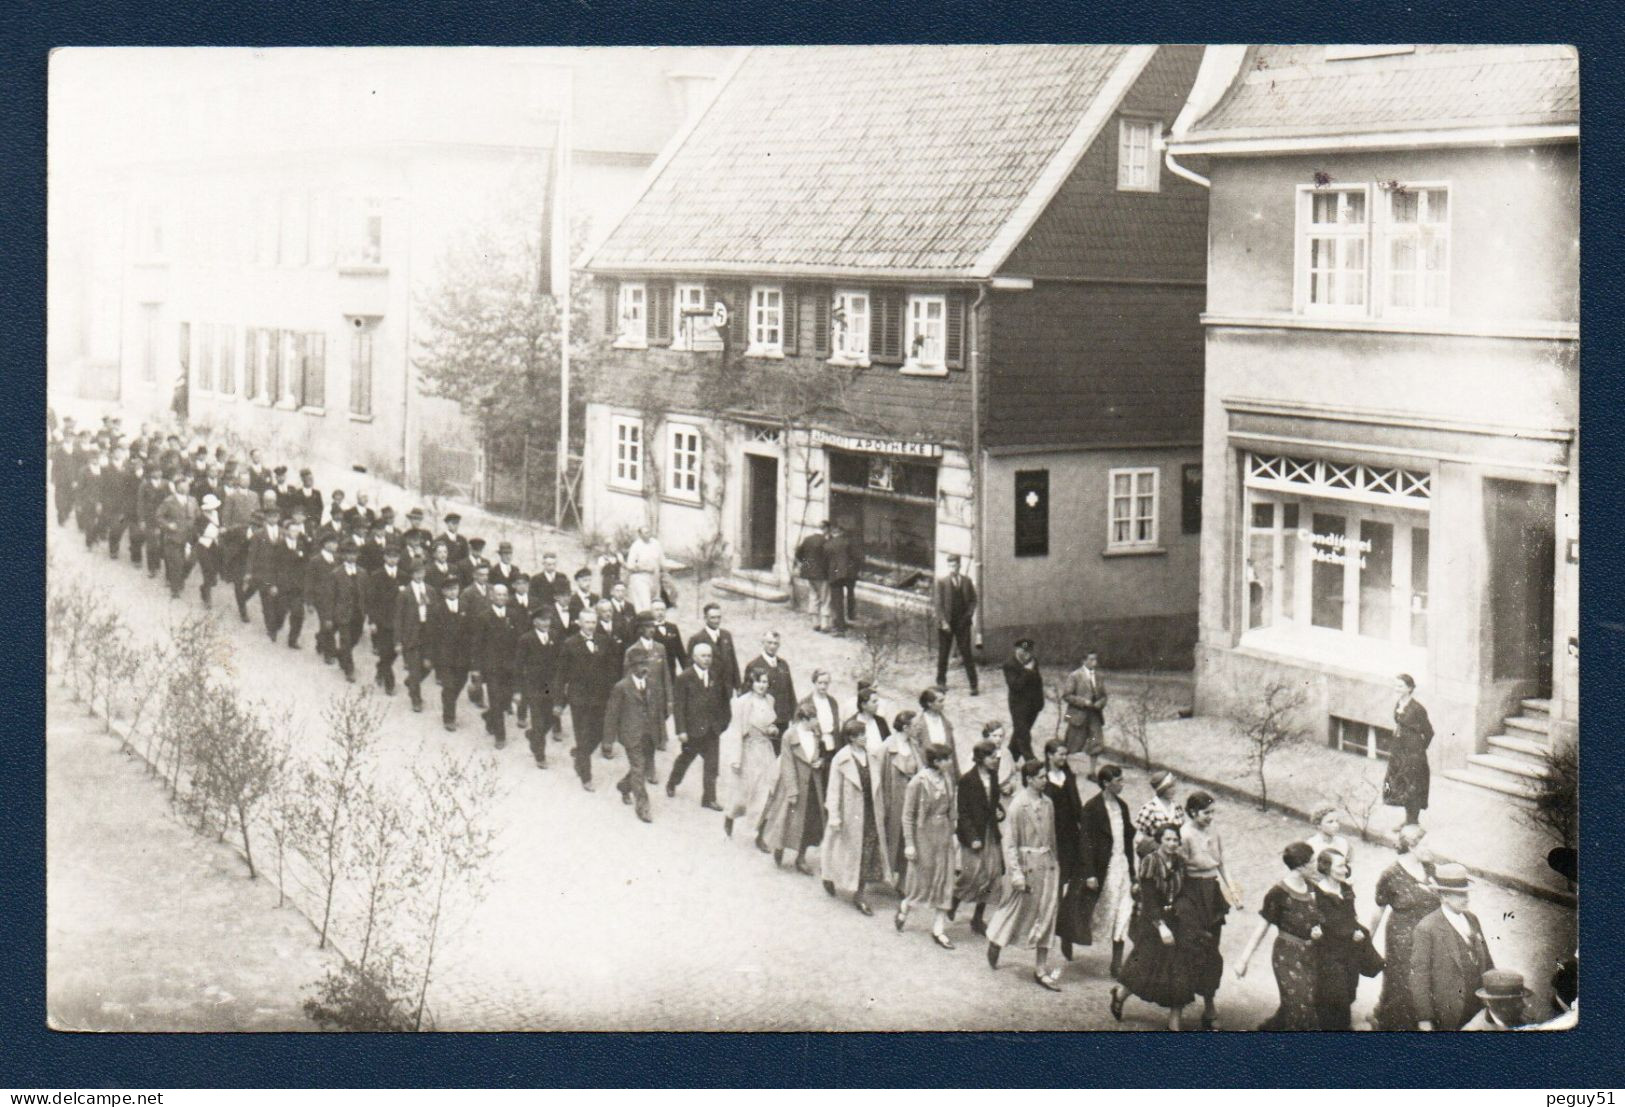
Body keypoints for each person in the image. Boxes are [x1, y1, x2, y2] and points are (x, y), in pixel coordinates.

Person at [986, 759, 1062, 989]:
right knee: (1016, 910)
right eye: (1041, 776)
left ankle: (1040, 968)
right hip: (1027, 866)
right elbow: (1010, 843)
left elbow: (1052, 839)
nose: (1045, 780)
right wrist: (1016, 874)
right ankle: (996, 940)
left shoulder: (1048, 803)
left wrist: (1056, 865)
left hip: (1047, 866)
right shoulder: (1018, 806)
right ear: (1029, 779)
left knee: (1048, 914)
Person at [1111, 823, 1195, 1028]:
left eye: (1175, 840)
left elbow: (1184, 892)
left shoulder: (1181, 863)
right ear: (1159, 840)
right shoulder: (1150, 862)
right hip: (1152, 922)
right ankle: (1120, 995)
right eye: (1167, 839)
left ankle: (1174, 1021)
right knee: (1145, 968)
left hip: (1175, 920)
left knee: (1180, 970)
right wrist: (1161, 926)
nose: (1172, 844)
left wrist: (1182, 913)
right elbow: (1149, 899)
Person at [1235, 841, 1324, 1031]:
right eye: (1313, 861)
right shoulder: (1278, 893)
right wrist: (1243, 960)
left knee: (1298, 1004)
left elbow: (1318, 918)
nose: (1317, 865)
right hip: (1287, 957)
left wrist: (1318, 930)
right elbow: (1262, 927)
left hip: (1310, 956)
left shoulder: (1312, 888)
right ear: (1301, 866)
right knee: (1300, 1008)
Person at [1368, 823, 1439, 1030]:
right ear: (1411, 846)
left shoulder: (1430, 869)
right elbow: (1378, 910)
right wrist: (1366, 940)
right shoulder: (1390, 874)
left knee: (1426, 978)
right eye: (1425, 845)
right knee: (1402, 980)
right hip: (1402, 937)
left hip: (1428, 934)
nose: (1430, 848)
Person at [1409, 863, 1495, 1031]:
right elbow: (1419, 976)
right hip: (1449, 1011)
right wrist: (1424, 1018)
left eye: (1467, 893)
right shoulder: (1427, 928)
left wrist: (1495, 994)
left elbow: (1487, 958)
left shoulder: (1472, 919)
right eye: (1460, 894)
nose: (1466, 898)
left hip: (1478, 1003)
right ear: (1444, 896)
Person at [1177, 791, 1237, 1029]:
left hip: (1212, 894)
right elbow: (1179, 870)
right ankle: (1178, 1007)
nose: (1210, 817)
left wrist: (1232, 889)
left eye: (1213, 812)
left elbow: (1221, 863)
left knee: (1212, 949)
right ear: (1192, 812)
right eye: (1206, 813)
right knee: (1189, 950)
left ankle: (1209, 1006)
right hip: (1191, 892)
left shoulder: (1214, 831)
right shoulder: (1183, 834)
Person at [820, 717, 890, 916]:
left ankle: (859, 894)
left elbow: (879, 789)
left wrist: (881, 810)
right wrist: (834, 815)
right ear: (850, 738)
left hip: (870, 812)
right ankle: (828, 875)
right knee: (842, 850)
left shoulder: (872, 757)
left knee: (866, 852)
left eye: (864, 734)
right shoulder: (840, 759)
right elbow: (833, 790)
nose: (864, 738)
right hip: (848, 813)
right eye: (859, 735)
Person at [1076, 763, 1137, 979]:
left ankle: (1116, 963)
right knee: (1099, 911)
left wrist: (1133, 873)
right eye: (1118, 780)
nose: (1122, 784)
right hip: (1104, 868)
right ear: (1106, 783)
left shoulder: (1122, 807)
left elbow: (1128, 842)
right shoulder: (1091, 808)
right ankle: (1070, 937)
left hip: (1121, 866)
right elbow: (1085, 842)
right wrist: (1090, 873)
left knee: (1123, 910)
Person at [897, 742, 959, 949]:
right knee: (922, 882)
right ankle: (906, 906)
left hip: (944, 835)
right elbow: (907, 816)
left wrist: (953, 833)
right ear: (936, 762)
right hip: (924, 835)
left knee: (945, 880)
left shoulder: (948, 779)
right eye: (946, 759)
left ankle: (938, 929)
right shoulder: (917, 782)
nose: (950, 763)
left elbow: (952, 809)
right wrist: (909, 844)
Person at [760, 702, 825, 873]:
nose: (817, 722)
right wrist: (792, 791)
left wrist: (820, 762)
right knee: (786, 820)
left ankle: (801, 857)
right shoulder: (789, 735)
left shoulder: (816, 734)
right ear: (804, 719)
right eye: (814, 719)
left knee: (809, 823)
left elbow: (821, 755)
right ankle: (779, 847)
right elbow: (787, 765)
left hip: (812, 784)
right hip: (794, 785)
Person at [666, 640, 732, 811]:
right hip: (693, 730)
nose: (707, 659)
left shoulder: (715, 676)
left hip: (712, 730)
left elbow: (724, 701)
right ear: (694, 657)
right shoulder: (684, 678)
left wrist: (723, 723)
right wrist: (681, 730)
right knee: (686, 759)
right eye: (703, 656)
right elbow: (679, 706)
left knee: (712, 765)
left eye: (709, 656)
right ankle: (673, 781)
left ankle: (709, 798)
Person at [1311, 848, 1370, 1031]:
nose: (1345, 870)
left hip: (1349, 952)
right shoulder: (1316, 894)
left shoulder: (1346, 889)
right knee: (1336, 998)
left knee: (1350, 992)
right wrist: (1313, 932)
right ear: (1326, 868)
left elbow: (1351, 916)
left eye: (1346, 865)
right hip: (1328, 953)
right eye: (1340, 866)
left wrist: (1357, 932)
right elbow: (1314, 925)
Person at [951, 739, 1005, 937]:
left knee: (993, 875)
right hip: (974, 834)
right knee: (971, 874)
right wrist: (972, 837)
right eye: (992, 757)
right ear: (981, 758)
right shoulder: (967, 780)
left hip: (990, 832)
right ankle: (953, 901)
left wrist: (1000, 812)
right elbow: (963, 812)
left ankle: (977, 917)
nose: (995, 760)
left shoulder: (993, 776)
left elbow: (994, 802)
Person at [560, 609, 619, 792]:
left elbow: (611, 669)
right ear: (579, 623)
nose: (591, 626)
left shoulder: (604, 641)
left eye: (593, 622)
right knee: (582, 735)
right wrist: (558, 701)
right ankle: (586, 776)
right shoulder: (570, 644)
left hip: (600, 697)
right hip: (579, 698)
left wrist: (613, 693)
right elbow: (561, 674)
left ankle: (580, 757)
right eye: (587, 622)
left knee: (600, 732)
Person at [1042, 739, 1090, 964]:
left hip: (1069, 837)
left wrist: (1085, 829)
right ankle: (1048, 928)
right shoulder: (1042, 778)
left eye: (1065, 755)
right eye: (1059, 754)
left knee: (1069, 884)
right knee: (1054, 885)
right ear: (1049, 755)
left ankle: (1064, 932)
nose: (1063, 758)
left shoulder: (1067, 777)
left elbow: (1077, 805)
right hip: (1051, 837)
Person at [725, 666, 782, 846]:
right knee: (744, 792)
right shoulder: (743, 702)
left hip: (765, 751)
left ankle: (760, 835)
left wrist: (773, 730)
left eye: (765, 682)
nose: (762, 686)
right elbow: (735, 731)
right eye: (758, 681)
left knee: (768, 791)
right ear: (751, 682)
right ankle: (730, 817)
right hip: (748, 751)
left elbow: (770, 725)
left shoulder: (770, 700)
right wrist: (736, 758)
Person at [603, 652, 660, 822]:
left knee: (641, 766)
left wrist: (660, 734)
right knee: (638, 767)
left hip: (649, 734)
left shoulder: (652, 683)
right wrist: (608, 740)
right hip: (631, 734)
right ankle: (642, 807)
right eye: (640, 665)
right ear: (631, 667)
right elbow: (612, 714)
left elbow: (655, 710)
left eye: (646, 664)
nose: (644, 668)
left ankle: (624, 786)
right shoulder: (621, 687)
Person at [473, 583, 519, 747]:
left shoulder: (513, 615)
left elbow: (517, 641)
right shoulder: (484, 617)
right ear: (492, 596)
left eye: (504, 595)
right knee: (496, 699)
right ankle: (500, 736)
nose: (501, 598)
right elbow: (477, 644)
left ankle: (489, 716)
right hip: (491, 666)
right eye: (498, 595)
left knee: (505, 699)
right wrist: (477, 668)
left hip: (509, 666)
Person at [1385, 674, 1434, 827]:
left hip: (1413, 753)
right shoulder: (1399, 703)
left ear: (1409, 688)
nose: (1396, 689)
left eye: (1400, 686)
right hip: (1399, 752)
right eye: (1395, 685)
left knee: (1413, 785)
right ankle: (1408, 820)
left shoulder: (1417, 708)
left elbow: (1429, 732)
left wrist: (1419, 749)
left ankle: (1413, 822)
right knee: (1402, 784)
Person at [515, 608, 562, 768]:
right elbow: (519, 666)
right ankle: (540, 755)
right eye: (542, 620)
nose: (545, 623)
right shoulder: (526, 639)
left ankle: (534, 736)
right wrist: (517, 690)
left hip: (550, 686)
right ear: (535, 622)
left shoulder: (555, 636)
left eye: (548, 620)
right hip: (533, 686)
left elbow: (559, 660)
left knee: (551, 716)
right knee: (538, 719)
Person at [624, 616, 672, 764]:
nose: (651, 630)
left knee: (653, 734)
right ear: (640, 630)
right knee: (640, 734)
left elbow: (666, 675)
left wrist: (669, 699)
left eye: (653, 627)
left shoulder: (660, 648)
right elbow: (627, 678)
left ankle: (650, 766)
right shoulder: (632, 650)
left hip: (656, 699)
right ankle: (639, 766)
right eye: (647, 627)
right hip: (640, 699)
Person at [428, 579, 472, 732]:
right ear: (444, 592)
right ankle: (449, 718)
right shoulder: (436, 609)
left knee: (461, 681)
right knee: (449, 686)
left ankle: (449, 701)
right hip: (444, 655)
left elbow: (470, 632)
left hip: (462, 656)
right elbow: (431, 635)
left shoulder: (465, 607)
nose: (453, 592)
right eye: (450, 589)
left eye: (456, 588)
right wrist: (431, 657)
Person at [933, 554, 978, 694]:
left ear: (960, 565)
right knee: (943, 653)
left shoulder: (966, 581)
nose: (953, 568)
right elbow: (938, 604)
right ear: (948, 566)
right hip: (947, 623)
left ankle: (973, 685)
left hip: (962, 622)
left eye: (955, 565)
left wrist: (969, 615)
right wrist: (943, 622)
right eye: (950, 565)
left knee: (966, 653)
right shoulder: (942, 582)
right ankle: (941, 682)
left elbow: (973, 600)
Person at [394, 557, 434, 713]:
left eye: (422, 572)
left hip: (427, 633)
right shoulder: (405, 593)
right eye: (416, 573)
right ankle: (415, 699)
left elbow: (434, 612)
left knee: (428, 666)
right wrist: (398, 641)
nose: (419, 575)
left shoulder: (430, 590)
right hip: (411, 634)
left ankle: (411, 681)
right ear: (411, 574)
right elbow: (398, 618)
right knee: (415, 667)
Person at [1060, 652, 1109, 774]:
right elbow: (1066, 695)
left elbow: (1104, 695)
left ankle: (1092, 772)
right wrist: (1083, 701)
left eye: (1096, 659)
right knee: (1072, 744)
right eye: (1091, 659)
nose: (1095, 662)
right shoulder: (1074, 676)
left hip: (1094, 715)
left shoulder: (1099, 676)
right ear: (1084, 661)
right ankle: (1063, 767)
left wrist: (1100, 703)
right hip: (1078, 715)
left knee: (1096, 743)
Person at [327, 540, 368, 683]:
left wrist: (366, 611)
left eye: (354, 554)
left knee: (355, 638)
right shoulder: (336, 573)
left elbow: (365, 593)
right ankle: (349, 670)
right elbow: (331, 596)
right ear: (344, 556)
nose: (352, 557)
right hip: (343, 613)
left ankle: (341, 654)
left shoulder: (363, 573)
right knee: (346, 639)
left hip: (358, 613)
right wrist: (329, 617)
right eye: (349, 554)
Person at [1001, 638, 1045, 763]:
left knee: (1020, 733)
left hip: (1033, 705)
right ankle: (1030, 761)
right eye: (1024, 651)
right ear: (1017, 649)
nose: (1027, 654)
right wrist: (1027, 670)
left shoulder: (1033, 661)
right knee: (1023, 734)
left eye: (1029, 651)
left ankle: (1010, 757)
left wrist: (1040, 701)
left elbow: (1038, 681)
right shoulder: (1009, 664)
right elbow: (1015, 686)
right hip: (1018, 705)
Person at [368, 545, 404, 695]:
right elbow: (371, 600)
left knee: (393, 652)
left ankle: (380, 668)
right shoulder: (376, 575)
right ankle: (390, 683)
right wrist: (372, 621)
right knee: (384, 651)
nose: (392, 559)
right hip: (382, 620)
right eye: (389, 556)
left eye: (395, 556)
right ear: (384, 557)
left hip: (398, 620)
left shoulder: (403, 576)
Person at [155, 472, 196, 599]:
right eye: (184, 486)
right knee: (176, 563)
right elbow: (159, 516)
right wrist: (168, 525)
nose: (187, 488)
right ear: (178, 487)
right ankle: (175, 589)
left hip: (189, 537)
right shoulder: (169, 501)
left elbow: (198, 516)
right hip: (173, 537)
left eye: (188, 486)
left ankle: (180, 578)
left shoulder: (193, 500)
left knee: (190, 562)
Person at [907, 685, 960, 781]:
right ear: (929, 703)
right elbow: (915, 753)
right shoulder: (917, 725)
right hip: (927, 773)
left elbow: (953, 753)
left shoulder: (946, 723)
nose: (944, 704)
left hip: (946, 771)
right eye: (940, 701)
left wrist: (957, 776)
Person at [689, 603, 741, 692]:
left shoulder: (726, 636)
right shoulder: (697, 639)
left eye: (719, 617)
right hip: (708, 688)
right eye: (713, 618)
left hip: (726, 687)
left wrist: (738, 685)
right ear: (705, 618)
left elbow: (732, 660)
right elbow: (690, 666)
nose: (716, 621)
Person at [1462, 971, 1535, 1031]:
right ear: (1494, 1003)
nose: (1523, 1005)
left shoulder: (1525, 1022)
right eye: (1515, 1002)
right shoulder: (1473, 1030)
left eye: (1521, 1000)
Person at [1134, 770, 1185, 851]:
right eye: (1169, 787)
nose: (1173, 789)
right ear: (1161, 789)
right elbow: (1138, 837)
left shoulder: (1177, 808)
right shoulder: (1149, 809)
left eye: (1173, 786)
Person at [795, 522, 831, 631]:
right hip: (822, 574)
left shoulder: (807, 539)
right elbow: (828, 558)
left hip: (809, 574)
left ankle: (815, 622)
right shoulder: (826, 541)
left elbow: (799, 554)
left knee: (813, 595)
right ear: (825, 529)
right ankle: (824, 624)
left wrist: (807, 566)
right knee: (825, 598)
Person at [826, 520, 860, 634]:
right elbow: (856, 557)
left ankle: (840, 627)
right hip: (849, 574)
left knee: (837, 601)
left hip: (835, 575)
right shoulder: (849, 542)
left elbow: (824, 560)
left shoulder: (828, 544)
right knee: (851, 594)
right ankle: (851, 616)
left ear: (833, 532)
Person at [624, 525, 664, 613]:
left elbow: (662, 561)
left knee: (655, 603)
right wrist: (644, 568)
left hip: (654, 579)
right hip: (640, 579)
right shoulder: (636, 546)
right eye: (645, 533)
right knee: (645, 605)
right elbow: (630, 566)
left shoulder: (656, 543)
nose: (648, 535)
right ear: (640, 535)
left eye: (649, 532)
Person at [193, 493, 223, 606]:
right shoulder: (200, 517)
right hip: (203, 545)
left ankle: (205, 587)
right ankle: (207, 598)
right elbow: (202, 532)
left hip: (214, 546)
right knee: (207, 570)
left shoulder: (217, 514)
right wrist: (218, 531)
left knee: (213, 572)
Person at [647, 597, 687, 679]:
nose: (660, 612)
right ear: (651, 612)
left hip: (670, 671)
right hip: (654, 672)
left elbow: (680, 652)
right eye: (657, 610)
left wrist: (686, 672)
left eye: (662, 610)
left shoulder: (673, 628)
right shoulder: (647, 629)